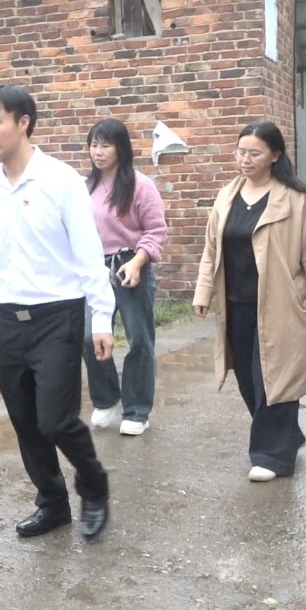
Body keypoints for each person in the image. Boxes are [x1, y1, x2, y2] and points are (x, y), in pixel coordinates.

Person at [0, 85, 117, 541]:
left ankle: (93, 484)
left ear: (23, 123)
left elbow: (89, 254)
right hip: (7, 317)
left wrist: (101, 318)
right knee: (24, 421)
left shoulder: (60, 180)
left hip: (58, 316)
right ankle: (52, 502)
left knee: (56, 419)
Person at [192, 121, 306, 483]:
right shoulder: (227, 196)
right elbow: (211, 250)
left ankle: (272, 457)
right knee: (248, 380)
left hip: (281, 305)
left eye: (254, 153)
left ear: (274, 155)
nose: (245, 159)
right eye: (241, 152)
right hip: (237, 304)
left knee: (275, 379)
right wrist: (203, 291)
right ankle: (287, 436)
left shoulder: (295, 201)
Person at [83, 118, 168, 437]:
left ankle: (137, 410)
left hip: (130, 266)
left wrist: (137, 262)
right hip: (95, 270)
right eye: (94, 144)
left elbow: (156, 230)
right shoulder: (84, 188)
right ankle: (106, 398)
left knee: (139, 339)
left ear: (121, 148)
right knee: (88, 335)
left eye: (105, 145)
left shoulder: (140, 185)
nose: (98, 151)